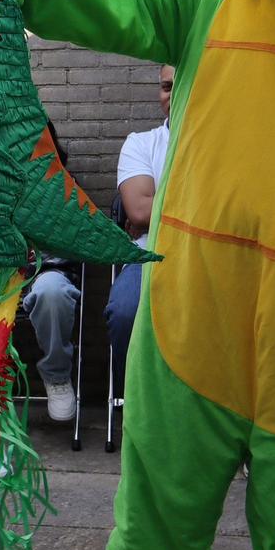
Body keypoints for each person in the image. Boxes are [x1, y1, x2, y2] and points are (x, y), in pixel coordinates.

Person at [0, 121, 82, 421]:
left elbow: (70, 243)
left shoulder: (62, 186)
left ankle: (57, 375)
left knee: (53, 293)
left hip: (46, 269)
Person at [104, 65, 172, 394]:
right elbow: (139, 211)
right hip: (150, 253)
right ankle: (133, 403)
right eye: (165, 87)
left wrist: (158, 202)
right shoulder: (142, 144)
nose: (170, 96)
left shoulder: (224, 145)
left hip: (211, 254)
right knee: (125, 311)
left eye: (179, 86)